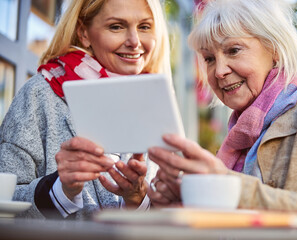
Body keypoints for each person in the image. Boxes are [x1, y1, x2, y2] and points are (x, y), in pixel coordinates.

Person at [146, 0, 297, 239]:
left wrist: (227, 187)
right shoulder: (238, 137)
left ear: (275, 48)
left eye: (233, 50)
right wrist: (178, 201)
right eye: (209, 58)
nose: (219, 71)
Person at [0, 0, 170, 219]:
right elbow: (5, 197)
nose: (134, 41)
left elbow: (175, 210)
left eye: (144, 26)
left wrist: (138, 200)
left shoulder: (157, 101)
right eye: (116, 26)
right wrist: (60, 190)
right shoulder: (39, 94)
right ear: (84, 33)